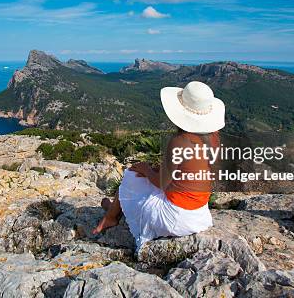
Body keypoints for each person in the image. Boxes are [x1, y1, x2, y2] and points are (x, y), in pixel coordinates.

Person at [92, 81, 225, 250]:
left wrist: (146, 169)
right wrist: (155, 170)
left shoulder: (180, 141)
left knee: (131, 176)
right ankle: (115, 210)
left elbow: (162, 183)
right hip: (199, 214)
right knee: (142, 178)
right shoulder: (214, 138)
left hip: (176, 217)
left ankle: (112, 215)